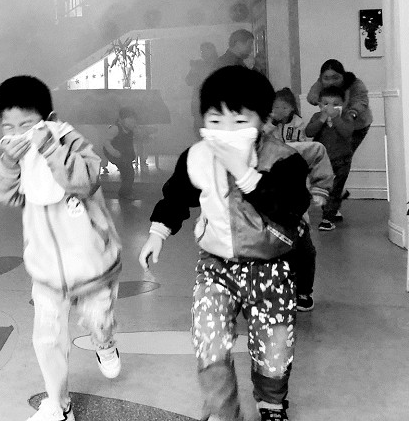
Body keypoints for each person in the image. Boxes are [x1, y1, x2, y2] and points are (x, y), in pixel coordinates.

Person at [138, 65, 310, 421]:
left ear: (263, 121)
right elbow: (176, 197)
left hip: (272, 269)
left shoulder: (284, 159)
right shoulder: (197, 157)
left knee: (274, 348)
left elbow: (291, 207)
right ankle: (222, 410)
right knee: (209, 340)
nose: (225, 132)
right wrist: (158, 232)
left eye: (239, 121)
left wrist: (245, 174)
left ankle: (271, 402)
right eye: (215, 121)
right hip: (216, 268)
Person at [0, 75, 123, 421]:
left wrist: (49, 148)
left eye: (27, 125)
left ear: (49, 120)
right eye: (9, 127)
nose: (18, 134)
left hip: (92, 264)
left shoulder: (71, 141)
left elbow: (87, 180)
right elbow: (3, 194)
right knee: (47, 340)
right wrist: (9, 163)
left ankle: (104, 343)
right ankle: (60, 405)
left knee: (99, 321)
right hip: (46, 269)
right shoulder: (18, 159)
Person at [306, 59, 372, 206]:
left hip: (356, 125)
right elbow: (311, 97)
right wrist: (324, 105)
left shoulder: (355, 84)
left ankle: (333, 201)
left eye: (335, 77)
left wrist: (350, 114)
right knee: (327, 161)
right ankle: (335, 192)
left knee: (342, 159)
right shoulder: (320, 83)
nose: (331, 82)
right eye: (326, 78)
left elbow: (361, 102)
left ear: (343, 75)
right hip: (329, 125)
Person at [285, 141, 334, 312]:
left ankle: (303, 292)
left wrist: (320, 187)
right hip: (255, 221)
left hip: (293, 217)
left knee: (305, 253)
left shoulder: (284, 151)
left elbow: (318, 151)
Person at [305, 86, 355, 232]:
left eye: (335, 104)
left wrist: (336, 118)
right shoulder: (317, 117)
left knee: (335, 190)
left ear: (343, 104)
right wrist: (321, 120)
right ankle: (333, 206)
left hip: (342, 160)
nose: (330, 108)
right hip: (322, 161)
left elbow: (347, 132)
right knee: (323, 188)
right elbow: (309, 132)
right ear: (320, 104)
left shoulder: (346, 116)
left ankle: (327, 218)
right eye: (326, 104)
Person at [103, 107, 139, 200]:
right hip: (113, 152)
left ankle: (126, 190)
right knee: (128, 172)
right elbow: (106, 142)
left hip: (123, 153)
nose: (132, 122)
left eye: (133, 119)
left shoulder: (130, 130)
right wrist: (114, 152)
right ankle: (125, 192)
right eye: (129, 119)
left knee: (128, 172)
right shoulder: (115, 129)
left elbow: (130, 143)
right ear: (121, 120)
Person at [186, 42, 219, 135]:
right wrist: (194, 69)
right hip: (199, 106)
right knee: (200, 133)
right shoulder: (198, 65)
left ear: (212, 51)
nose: (202, 53)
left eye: (205, 50)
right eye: (201, 51)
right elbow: (188, 81)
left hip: (214, 106)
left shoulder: (219, 64)